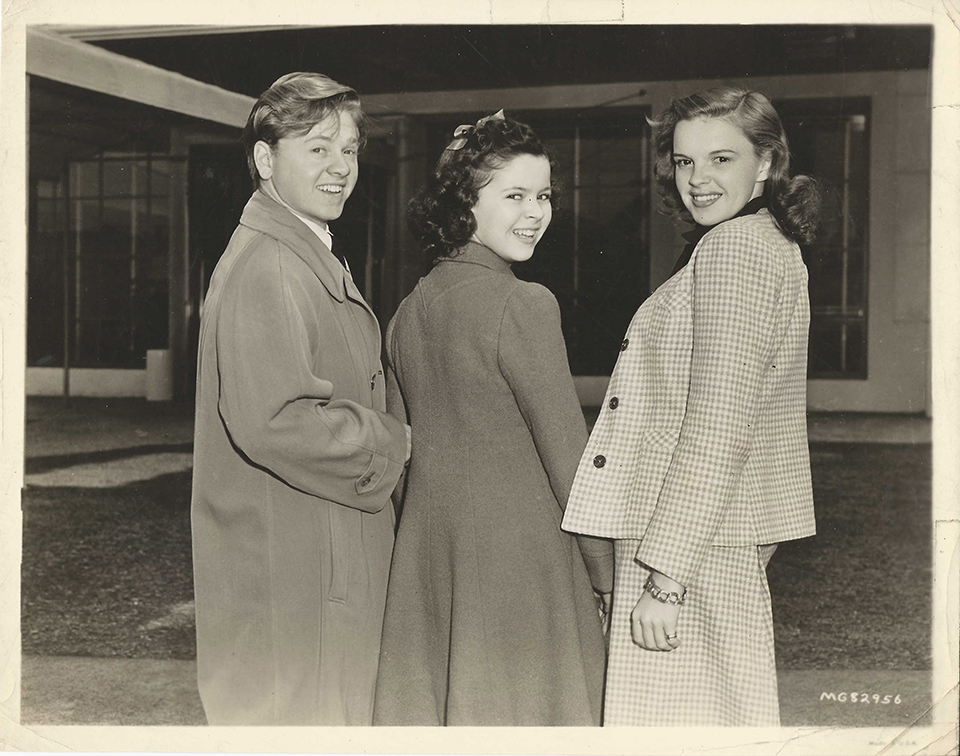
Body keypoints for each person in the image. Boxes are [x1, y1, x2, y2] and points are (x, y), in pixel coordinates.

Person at [562, 86, 822, 726]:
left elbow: (719, 427)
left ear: (766, 163)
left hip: (690, 543)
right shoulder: (762, 243)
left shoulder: (736, 251)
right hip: (716, 531)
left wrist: (665, 576)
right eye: (684, 162)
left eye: (721, 159)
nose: (697, 180)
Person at [373, 112, 613, 726]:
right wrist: (607, 575)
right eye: (515, 196)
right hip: (525, 566)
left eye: (545, 195)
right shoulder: (524, 302)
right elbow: (571, 462)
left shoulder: (406, 312)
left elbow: (402, 460)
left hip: (431, 560)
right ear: (463, 205)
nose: (536, 212)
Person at [190, 72, 410, 726]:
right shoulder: (271, 266)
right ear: (265, 160)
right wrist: (398, 442)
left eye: (350, 149)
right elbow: (276, 420)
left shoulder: (302, 251)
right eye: (318, 148)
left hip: (315, 565)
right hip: (302, 582)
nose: (341, 167)